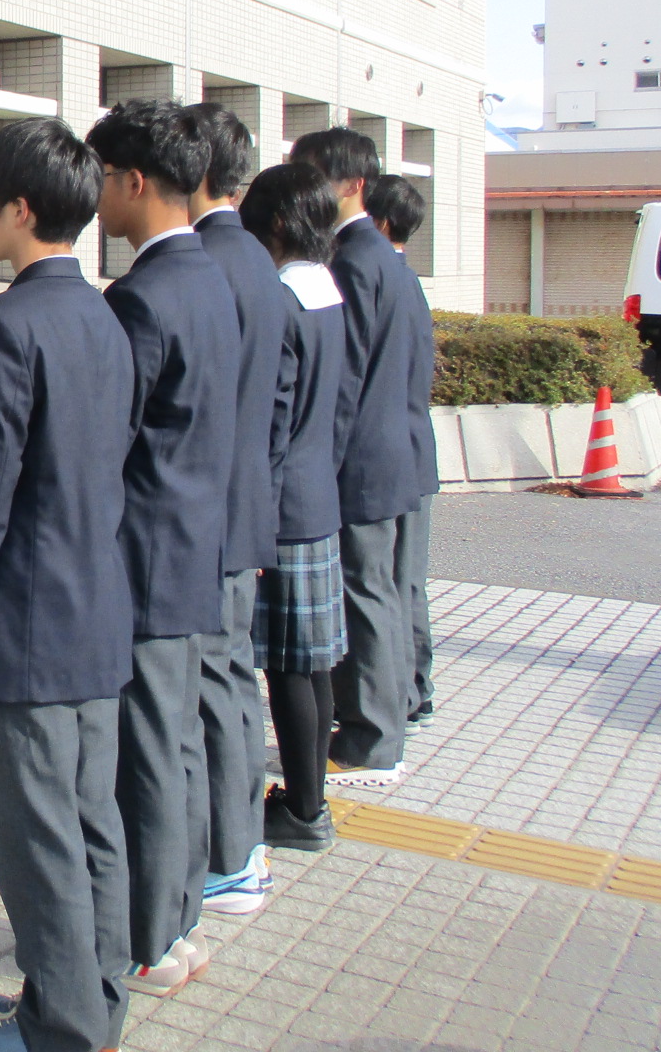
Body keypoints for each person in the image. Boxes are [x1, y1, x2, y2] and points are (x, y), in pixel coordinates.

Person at [0, 118, 135, 1052]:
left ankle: (63, 1030)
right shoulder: (106, 315)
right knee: (91, 825)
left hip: (28, 629)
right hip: (97, 615)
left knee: (37, 839)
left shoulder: (2, 327)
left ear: (19, 208)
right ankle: (92, 999)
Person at [86, 99, 238, 999]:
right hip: (197, 548)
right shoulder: (213, 275)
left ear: (134, 181)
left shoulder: (143, 296)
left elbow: (112, 443)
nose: (98, 196)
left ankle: (147, 936)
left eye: (104, 178)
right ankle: (177, 922)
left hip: (142, 556)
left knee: (144, 753)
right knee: (176, 745)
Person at [289, 128, 425, 789]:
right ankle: (383, 722)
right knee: (382, 593)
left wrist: (319, 457)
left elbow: (343, 377)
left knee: (364, 593)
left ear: (353, 185)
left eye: (315, 175)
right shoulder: (387, 260)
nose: (307, 186)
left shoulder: (350, 261)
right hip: (391, 453)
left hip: (361, 461)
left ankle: (373, 738)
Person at [183, 104, 286, 921]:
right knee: (233, 680)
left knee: (214, 685)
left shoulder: (205, 264)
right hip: (247, 505)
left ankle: (228, 858)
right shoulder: (256, 258)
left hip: (205, 518)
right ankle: (241, 847)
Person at [238, 162, 349, 852]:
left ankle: (305, 811)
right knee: (312, 664)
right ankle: (311, 796)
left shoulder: (281, 302)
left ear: (276, 223)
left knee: (288, 667)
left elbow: (269, 425)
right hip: (319, 496)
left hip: (283, 506)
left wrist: (250, 523)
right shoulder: (329, 295)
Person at [365, 172, 439, 726]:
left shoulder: (378, 278)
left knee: (390, 581)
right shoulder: (409, 282)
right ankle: (417, 687)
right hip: (415, 449)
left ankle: (407, 691)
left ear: (382, 221)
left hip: (389, 454)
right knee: (406, 578)